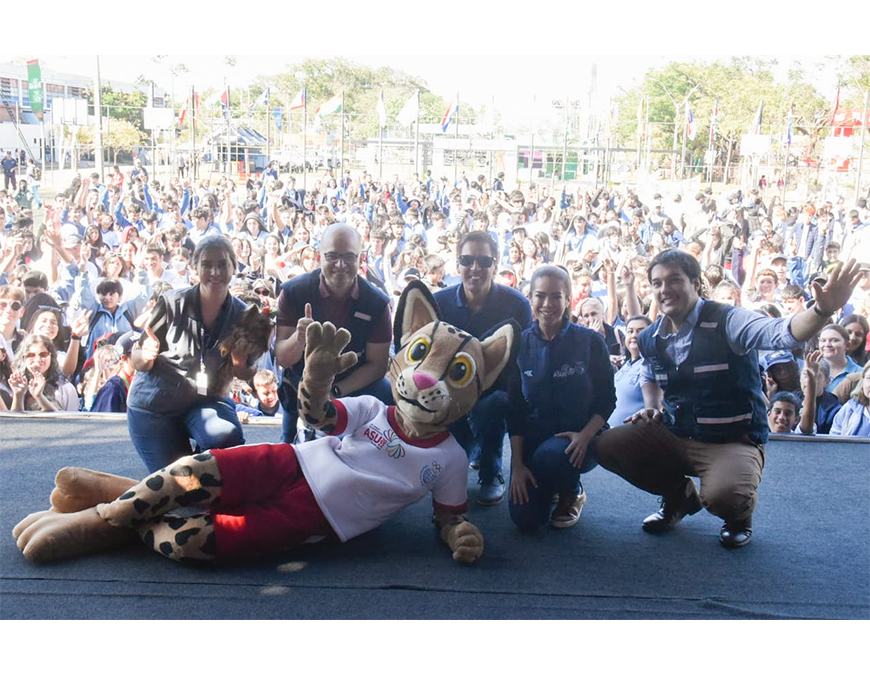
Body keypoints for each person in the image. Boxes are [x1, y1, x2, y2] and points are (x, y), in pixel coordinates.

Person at [593, 249, 861, 549]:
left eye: (674, 280)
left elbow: (781, 333)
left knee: (723, 496)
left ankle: (738, 517)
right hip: (677, 432)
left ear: (695, 283)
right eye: (656, 283)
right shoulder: (650, 336)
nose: (664, 289)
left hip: (733, 439)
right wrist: (653, 408)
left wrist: (821, 312)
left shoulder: (728, 320)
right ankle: (678, 499)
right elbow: (650, 375)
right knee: (607, 446)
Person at [126, 236, 255, 472]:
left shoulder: (245, 316)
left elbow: (248, 371)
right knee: (177, 486)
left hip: (206, 401)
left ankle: (199, 464)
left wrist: (240, 363)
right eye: (207, 264)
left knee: (225, 442)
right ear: (195, 268)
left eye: (222, 264)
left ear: (234, 267)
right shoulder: (171, 302)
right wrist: (145, 356)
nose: (215, 271)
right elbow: (138, 358)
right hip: (155, 407)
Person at [508, 266, 615, 530]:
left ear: (568, 299)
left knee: (551, 458)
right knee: (526, 520)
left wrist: (586, 435)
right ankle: (548, 486)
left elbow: (607, 400)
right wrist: (517, 466)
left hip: (579, 439)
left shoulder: (590, 341)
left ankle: (572, 490)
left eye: (556, 296)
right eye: (540, 296)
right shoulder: (519, 345)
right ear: (530, 298)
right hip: (535, 438)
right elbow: (515, 410)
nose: (547, 304)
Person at [434, 230, 533, 505]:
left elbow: (518, 367)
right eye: (467, 260)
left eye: (484, 261)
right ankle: (470, 450)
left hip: (496, 389)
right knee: (454, 455)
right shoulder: (440, 302)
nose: (475, 268)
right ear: (457, 264)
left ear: (496, 264)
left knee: (491, 406)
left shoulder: (517, 305)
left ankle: (491, 473)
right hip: (450, 391)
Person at [275, 223, 392, 443]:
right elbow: (282, 358)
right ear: (319, 256)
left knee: (387, 394)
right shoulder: (293, 292)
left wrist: (334, 391)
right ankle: (289, 437)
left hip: (353, 382)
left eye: (349, 257)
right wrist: (298, 339)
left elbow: (378, 365)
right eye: (332, 256)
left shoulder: (376, 303)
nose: (341, 265)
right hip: (302, 381)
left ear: (360, 258)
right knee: (290, 453)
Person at [8, 334, 79, 412]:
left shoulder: (65, 388)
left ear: (51, 358)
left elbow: (71, 421)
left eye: (43, 355)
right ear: (23, 358)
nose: (37, 359)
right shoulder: (15, 384)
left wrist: (39, 396)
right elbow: (14, 421)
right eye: (31, 355)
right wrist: (18, 394)